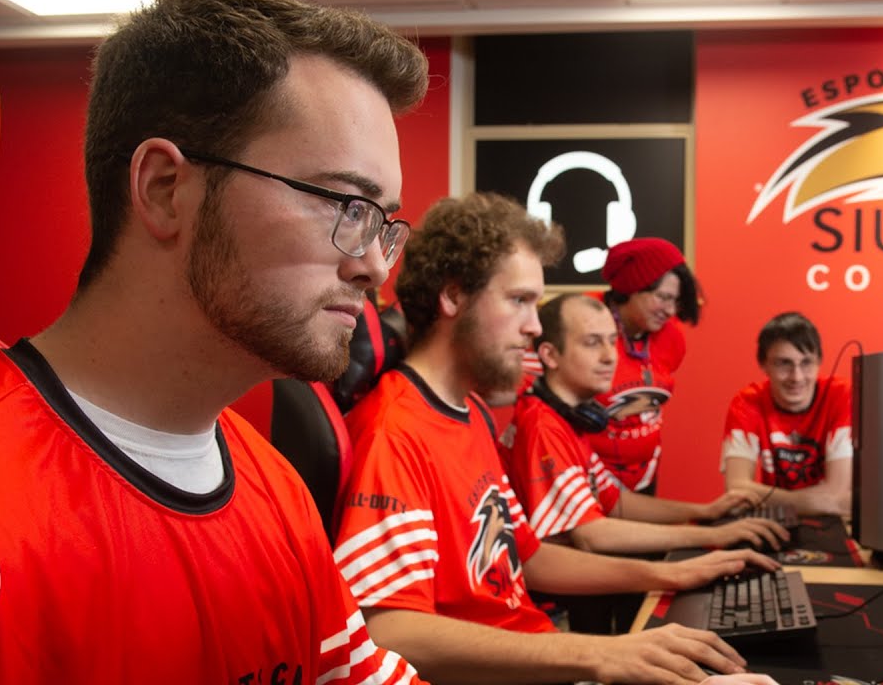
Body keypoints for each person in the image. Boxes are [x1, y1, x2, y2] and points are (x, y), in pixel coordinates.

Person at [0, 0, 427, 683]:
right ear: (164, 189)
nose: (373, 266)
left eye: (384, 225)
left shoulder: (275, 489)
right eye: (347, 206)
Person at [333, 192, 781, 685]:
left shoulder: (471, 412)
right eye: (519, 301)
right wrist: (601, 654)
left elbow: (529, 556)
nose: (533, 326)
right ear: (454, 297)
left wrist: (673, 573)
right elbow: (386, 630)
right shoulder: (394, 432)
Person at [505, 294, 789, 634]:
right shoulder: (543, 427)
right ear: (550, 355)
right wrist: (713, 535)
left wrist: (704, 511)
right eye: (592, 343)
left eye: (612, 341)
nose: (610, 356)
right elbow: (593, 535)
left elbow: (617, 502)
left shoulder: (568, 420)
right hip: (545, 616)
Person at [590, 237, 702, 495]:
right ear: (632, 287)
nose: (670, 310)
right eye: (663, 297)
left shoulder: (672, 339)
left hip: (643, 480)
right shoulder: (583, 323)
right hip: (587, 480)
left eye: (675, 301)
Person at [720, 312, 852, 516]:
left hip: (830, 522)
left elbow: (838, 493)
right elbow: (736, 489)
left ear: (819, 362)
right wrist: (824, 502)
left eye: (806, 363)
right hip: (779, 520)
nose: (796, 377)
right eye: (784, 363)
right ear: (763, 364)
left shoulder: (841, 396)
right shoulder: (747, 403)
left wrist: (767, 499)